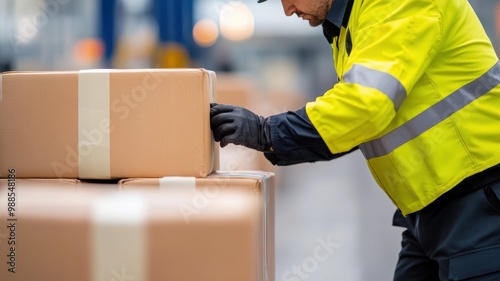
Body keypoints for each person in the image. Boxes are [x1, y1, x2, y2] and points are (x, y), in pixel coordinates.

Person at [210, 0, 500, 279]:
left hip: (479, 201)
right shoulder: (350, 25)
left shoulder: (398, 3)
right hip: (431, 209)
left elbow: (364, 107)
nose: (287, 10)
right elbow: (355, 126)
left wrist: (267, 132)